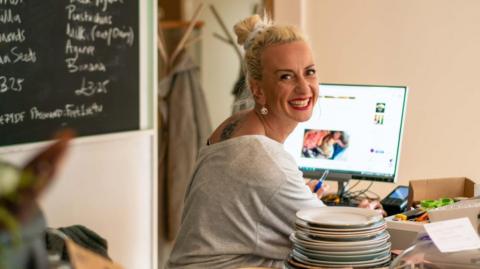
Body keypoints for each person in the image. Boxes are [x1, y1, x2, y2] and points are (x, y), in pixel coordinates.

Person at [166, 14, 381, 269]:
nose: (304, 88)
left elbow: (252, 207)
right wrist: (367, 215)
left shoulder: (233, 126)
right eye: (286, 77)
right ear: (257, 90)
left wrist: (292, 195)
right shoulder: (264, 160)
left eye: (309, 72)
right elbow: (341, 243)